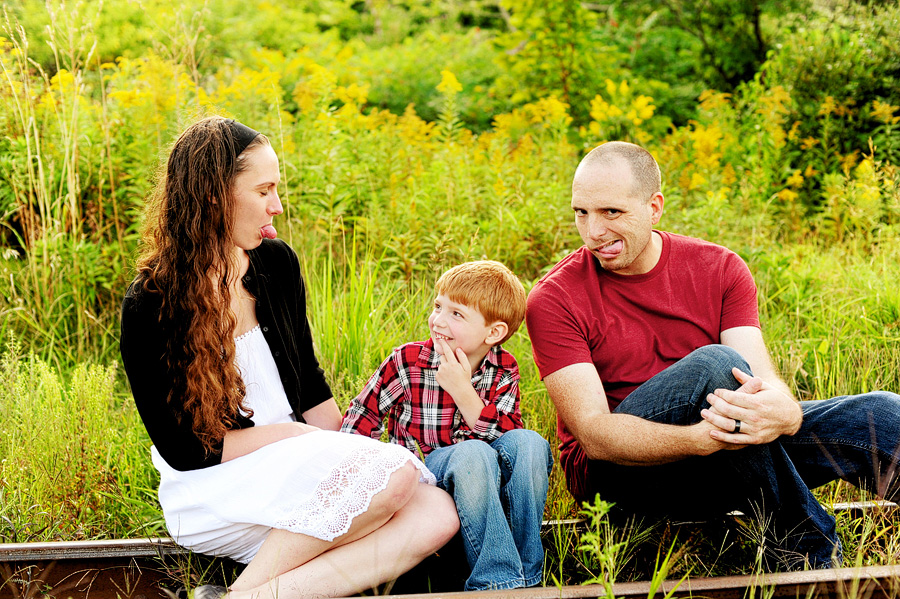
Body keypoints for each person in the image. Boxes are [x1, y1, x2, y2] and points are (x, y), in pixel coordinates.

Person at [119, 116, 458, 599]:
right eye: (263, 191)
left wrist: (347, 456)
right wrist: (298, 438)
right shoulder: (151, 303)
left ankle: (244, 597)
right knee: (397, 475)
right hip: (215, 486)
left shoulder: (276, 264)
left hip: (293, 467)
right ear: (214, 195)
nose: (276, 205)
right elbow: (186, 451)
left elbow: (310, 383)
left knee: (435, 513)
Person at [526, 140, 900, 571]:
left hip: (727, 448)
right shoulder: (555, 299)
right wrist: (700, 441)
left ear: (654, 207)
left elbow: (761, 379)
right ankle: (811, 556)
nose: (593, 232)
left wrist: (784, 413)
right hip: (622, 479)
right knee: (717, 369)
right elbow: (594, 435)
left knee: (881, 414)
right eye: (581, 213)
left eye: (612, 213)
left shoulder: (719, 268)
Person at [341, 260, 552, 590]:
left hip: (484, 484)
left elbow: (508, 439)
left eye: (457, 314)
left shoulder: (504, 369)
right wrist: (361, 481)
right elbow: (362, 416)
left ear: (493, 333)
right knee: (472, 453)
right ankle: (497, 582)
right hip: (426, 479)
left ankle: (527, 573)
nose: (438, 320)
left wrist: (463, 391)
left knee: (530, 443)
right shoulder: (409, 361)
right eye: (439, 306)